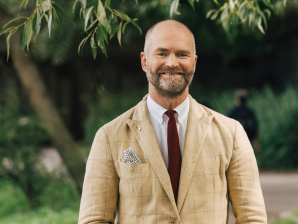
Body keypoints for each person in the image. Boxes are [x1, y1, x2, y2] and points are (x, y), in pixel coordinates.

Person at [78, 20, 267, 224]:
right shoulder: (109, 137)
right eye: (162, 53)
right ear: (144, 61)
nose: (171, 62)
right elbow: (94, 219)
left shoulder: (231, 134)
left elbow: (252, 218)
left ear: (194, 62)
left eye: (182, 54)